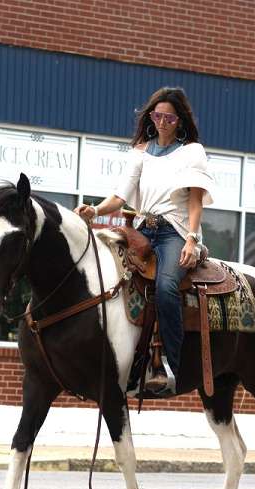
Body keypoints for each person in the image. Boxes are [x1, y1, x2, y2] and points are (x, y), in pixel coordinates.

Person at [75, 87, 215, 394]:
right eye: (157, 115)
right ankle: (122, 355)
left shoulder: (192, 151)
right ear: (150, 117)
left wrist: (192, 239)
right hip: (142, 229)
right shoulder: (141, 152)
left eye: (169, 117)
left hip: (175, 232)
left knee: (165, 286)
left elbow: (195, 202)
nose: (162, 122)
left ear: (179, 120)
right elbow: (120, 197)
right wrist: (95, 210)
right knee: (103, 270)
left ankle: (170, 364)